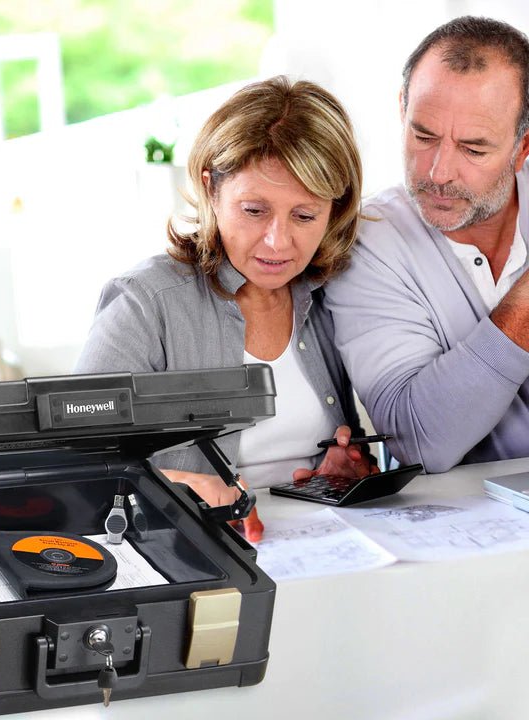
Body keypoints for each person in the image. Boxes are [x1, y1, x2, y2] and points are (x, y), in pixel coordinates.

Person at [75, 76, 376, 542]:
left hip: (325, 552)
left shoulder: (331, 295)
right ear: (210, 188)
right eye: (254, 210)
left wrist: (339, 467)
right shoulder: (145, 302)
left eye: (304, 215)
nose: (278, 241)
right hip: (194, 558)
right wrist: (176, 488)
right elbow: (77, 472)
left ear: (335, 210)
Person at [324, 16, 529, 474]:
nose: (437, 172)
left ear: (523, 146)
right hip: (470, 529)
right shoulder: (367, 242)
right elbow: (419, 439)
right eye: (423, 135)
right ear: (402, 109)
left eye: (474, 148)